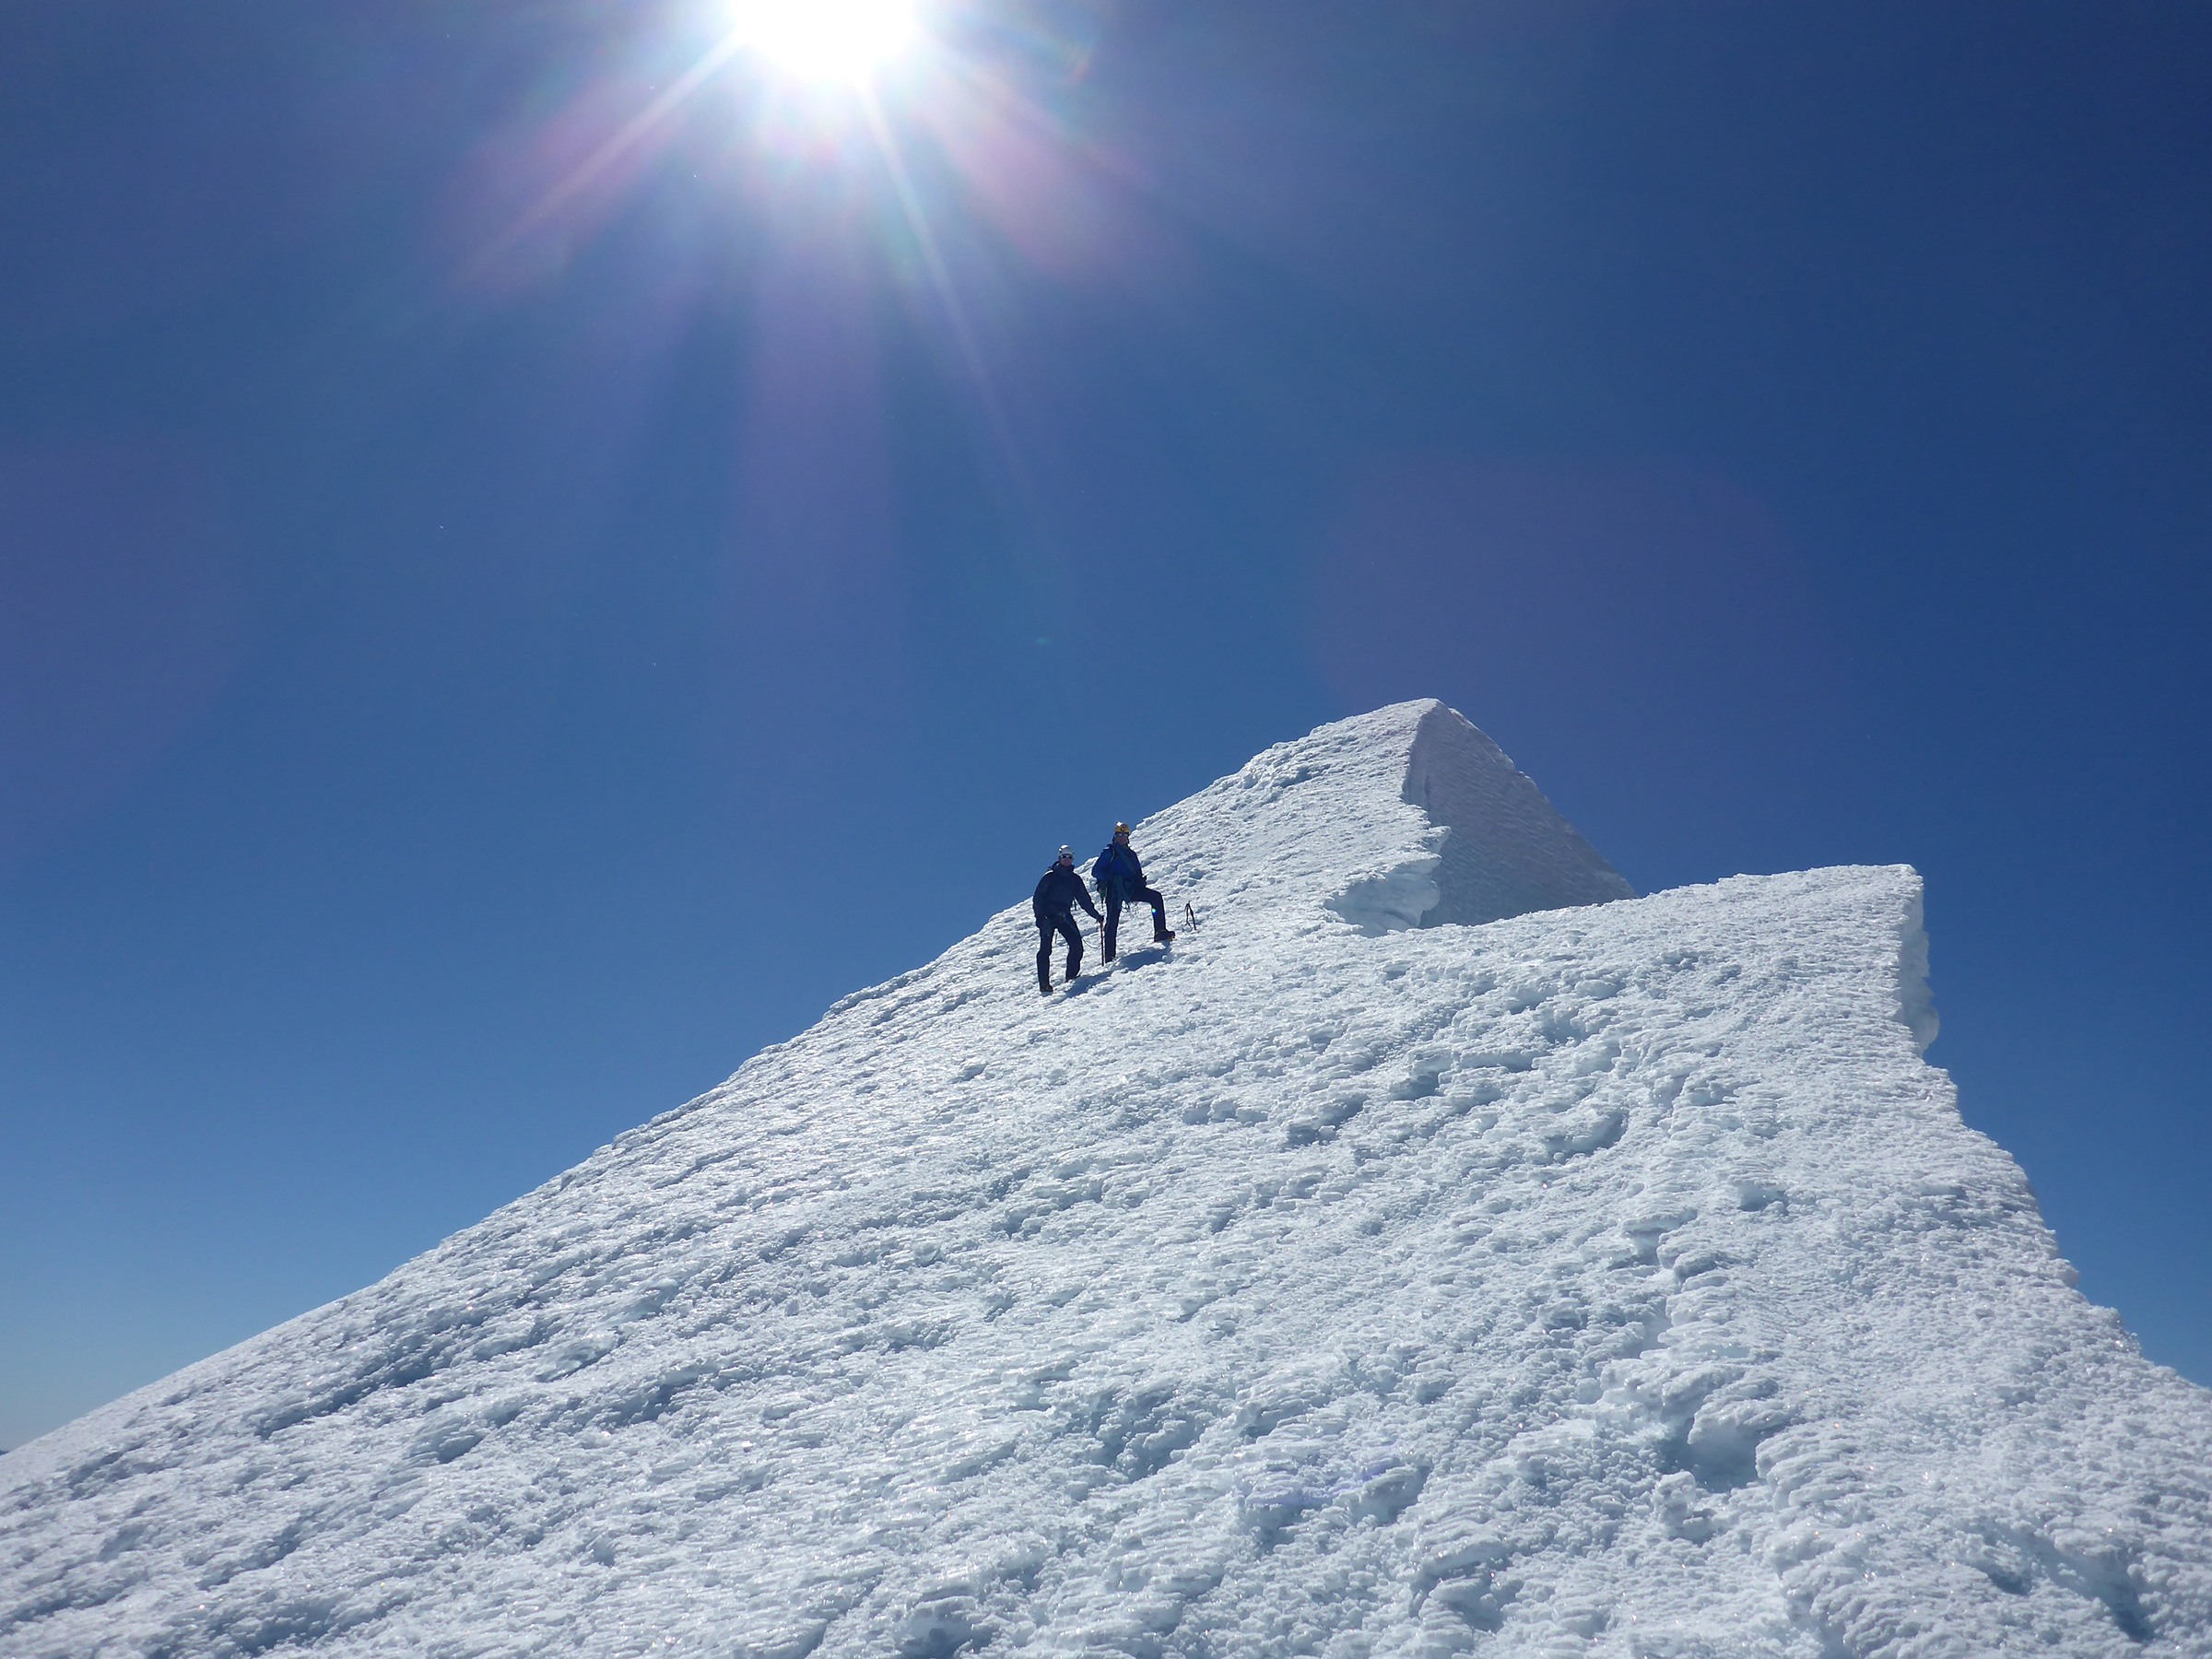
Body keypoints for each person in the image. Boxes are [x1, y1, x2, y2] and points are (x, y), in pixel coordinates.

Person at [1091, 822, 1174, 961]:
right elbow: (1096, 871)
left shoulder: (1131, 855)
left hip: (1130, 888)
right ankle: (1109, 955)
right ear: (1115, 836)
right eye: (1120, 835)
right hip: (1114, 889)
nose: (1122, 837)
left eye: (1124, 835)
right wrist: (1112, 878)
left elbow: (1136, 872)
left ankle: (1160, 931)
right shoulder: (1109, 852)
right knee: (1113, 921)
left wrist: (1140, 882)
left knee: (1155, 897)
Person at [1032, 845, 1101, 995]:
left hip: (1064, 916)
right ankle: (1044, 984)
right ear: (1059, 858)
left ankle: (1071, 977)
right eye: (1064, 857)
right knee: (1045, 950)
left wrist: (1095, 915)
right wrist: (1039, 918)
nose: (1067, 860)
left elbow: (1084, 900)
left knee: (1077, 945)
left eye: (1069, 857)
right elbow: (1038, 899)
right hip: (1047, 917)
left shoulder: (1074, 880)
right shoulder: (1049, 877)